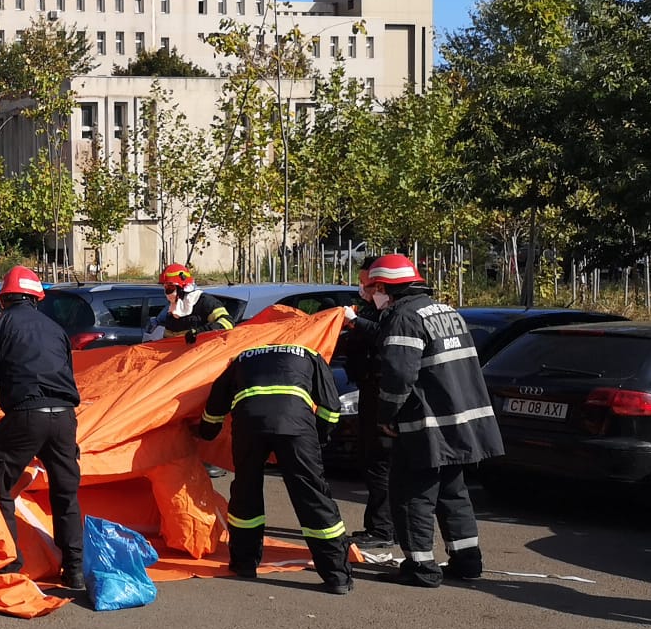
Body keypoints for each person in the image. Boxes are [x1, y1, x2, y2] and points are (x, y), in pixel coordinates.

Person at [364, 253, 502, 588]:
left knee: (411, 495)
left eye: (372, 288)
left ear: (385, 287)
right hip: (457, 422)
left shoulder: (404, 317)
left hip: (426, 425)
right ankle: (467, 561)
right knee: (453, 493)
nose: (370, 295)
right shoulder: (446, 311)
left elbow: (398, 375)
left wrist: (386, 416)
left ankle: (421, 567)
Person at [0, 266, 86, 590]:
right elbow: (66, 376)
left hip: (26, 416)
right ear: (36, 299)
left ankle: (10, 562)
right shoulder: (56, 330)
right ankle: (75, 570)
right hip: (64, 417)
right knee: (65, 493)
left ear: (3, 301)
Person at [197, 343, 353, 593]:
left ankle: (244, 564)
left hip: (249, 424)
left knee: (246, 492)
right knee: (312, 496)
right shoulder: (309, 355)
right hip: (295, 425)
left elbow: (217, 401)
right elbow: (330, 406)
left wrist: (206, 432)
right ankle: (337, 577)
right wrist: (319, 438)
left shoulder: (242, 356)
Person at [337, 257, 397, 548]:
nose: (363, 289)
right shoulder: (371, 309)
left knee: (380, 463)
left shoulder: (393, 312)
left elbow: (383, 337)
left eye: (367, 284)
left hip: (382, 393)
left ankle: (383, 530)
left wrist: (356, 322)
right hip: (369, 390)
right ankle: (378, 526)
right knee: (371, 461)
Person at [148, 264, 235, 341]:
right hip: (178, 353)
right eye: (165, 288)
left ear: (181, 288)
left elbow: (227, 322)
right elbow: (169, 337)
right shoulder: (174, 309)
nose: (167, 294)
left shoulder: (204, 302)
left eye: (169, 288)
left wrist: (199, 332)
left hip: (200, 352)